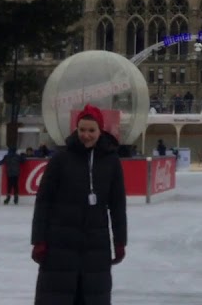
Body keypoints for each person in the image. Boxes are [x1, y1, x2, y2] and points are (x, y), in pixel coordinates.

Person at [31, 104, 127, 305]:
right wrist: (39, 239)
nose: (86, 135)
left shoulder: (111, 161)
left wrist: (120, 241)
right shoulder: (61, 159)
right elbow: (43, 201)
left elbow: (118, 205)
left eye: (91, 130)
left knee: (92, 296)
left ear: (100, 130)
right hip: (60, 246)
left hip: (95, 245)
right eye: (82, 130)